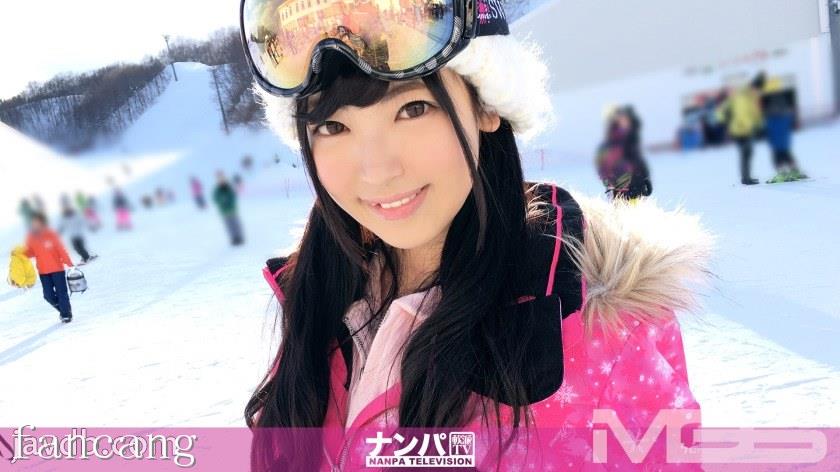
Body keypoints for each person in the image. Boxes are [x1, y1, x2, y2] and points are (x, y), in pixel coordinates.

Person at [241, 1, 711, 469]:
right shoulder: (320, 298)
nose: (377, 171)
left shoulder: (598, 339)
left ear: (486, 104)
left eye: (412, 108)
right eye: (332, 126)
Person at [21, 212, 75, 323]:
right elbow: (31, 252)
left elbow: (61, 249)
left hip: (57, 269)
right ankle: (65, 311)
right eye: (33, 222)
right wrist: (20, 253)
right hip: (43, 271)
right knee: (48, 296)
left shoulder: (51, 234)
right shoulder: (30, 236)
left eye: (37, 221)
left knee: (61, 293)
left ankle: (66, 315)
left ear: (42, 222)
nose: (35, 224)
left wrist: (69, 262)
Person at [717, 72, 766, 185]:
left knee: (748, 153)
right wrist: (725, 121)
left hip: (747, 129)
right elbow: (732, 111)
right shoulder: (741, 96)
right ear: (753, 87)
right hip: (739, 129)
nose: (758, 92)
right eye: (757, 89)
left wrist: (760, 126)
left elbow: (755, 113)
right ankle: (746, 178)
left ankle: (747, 177)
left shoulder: (752, 97)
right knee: (745, 152)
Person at [596, 106, 653, 200]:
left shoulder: (631, 140)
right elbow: (604, 168)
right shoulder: (611, 144)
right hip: (621, 189)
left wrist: (645, 178)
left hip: (633, 187)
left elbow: (637, 161)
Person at [762, 88, 808, 183]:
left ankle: (782, 174)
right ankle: (795, 171)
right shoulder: (786, 113)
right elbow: (790, 123)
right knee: (787, 154)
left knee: (777, 156)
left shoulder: (771, 116)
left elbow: (768, 128)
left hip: (776, 139)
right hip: (785, 139)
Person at [212, 171, 244, 246]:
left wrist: (228, 201)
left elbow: (233, 196)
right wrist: (221, 201)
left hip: (232, 209)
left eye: (222, 178)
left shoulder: (228, 187)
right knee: (229, 226)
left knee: (236, 224)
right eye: (219, 178)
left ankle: (239, 237)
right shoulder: (217, 189)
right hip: (224, 211)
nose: (221, 180)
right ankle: (234, 238)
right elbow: (215, 198)